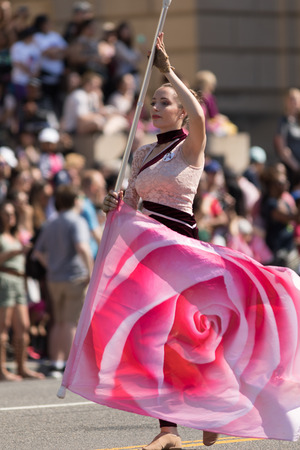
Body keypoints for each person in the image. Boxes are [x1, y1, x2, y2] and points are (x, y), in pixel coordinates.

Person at [103, 33, 217, 449]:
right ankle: (169, 430)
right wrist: (113, 203)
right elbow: (132, 207)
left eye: (164, 101)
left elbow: (203, 119)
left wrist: (168, 69)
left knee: (187, 336)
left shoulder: (191, 148)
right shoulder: (141, 154)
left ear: (183, 112)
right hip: (150, 255)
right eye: (153, 101)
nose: (155, 106)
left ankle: (211, 408)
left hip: (183, 252)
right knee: (155, 337)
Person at [32, 184, 93, 378]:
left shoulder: (51, 222)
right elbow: (82, 248)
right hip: (74, 277)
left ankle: (56, 363)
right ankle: (68, 365)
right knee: (70, 322)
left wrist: (51, 266)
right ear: (76, 200)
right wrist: (91, 272)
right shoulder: (77, 221)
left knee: (58, 322)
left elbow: (37, 252)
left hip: (54, 278)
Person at [0, 200, 45, 380]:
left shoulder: (16, 235)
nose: (10, 216)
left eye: (12, 213)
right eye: (6, 213)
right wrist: (16, 252)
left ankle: (21, 367)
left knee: (24, 326)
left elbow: (29, 232)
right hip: (5, 279)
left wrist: (25, 211)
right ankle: (2, 370)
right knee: (3, 327)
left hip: (19, 280)